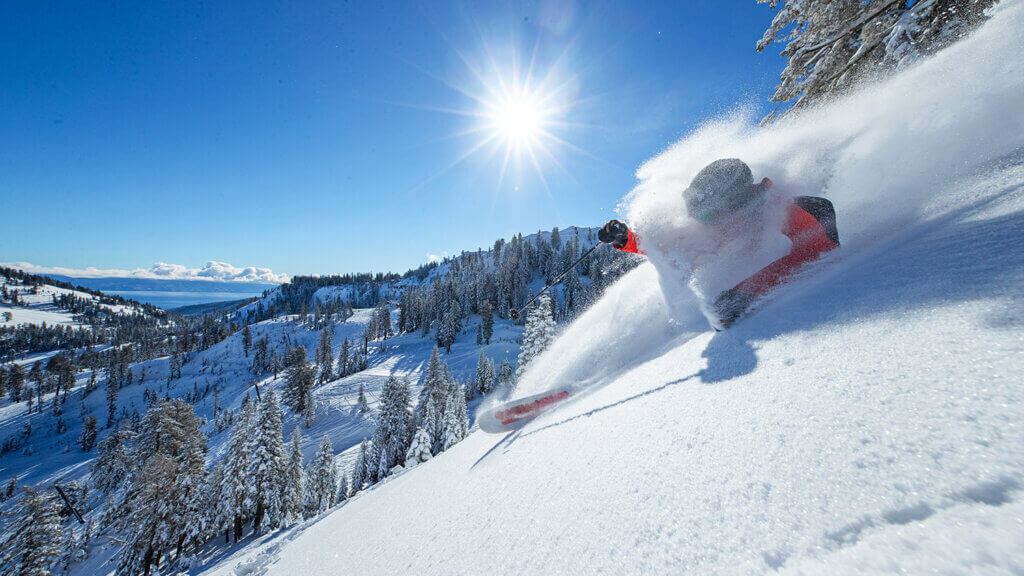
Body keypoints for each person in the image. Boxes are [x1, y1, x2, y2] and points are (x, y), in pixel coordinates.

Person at [599, 158, 839, 327]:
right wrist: (626, 239)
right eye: (700, 217)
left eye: (709, 215)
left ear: (737, 201)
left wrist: (747, 292)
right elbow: (669, 249)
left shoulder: (796, 209)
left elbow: (817, 254)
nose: (706, 224)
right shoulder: (724, 225)